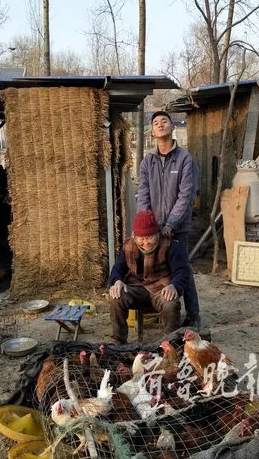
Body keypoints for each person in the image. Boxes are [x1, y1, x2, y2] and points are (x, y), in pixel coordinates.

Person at [138, 110, 201, 329]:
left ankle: (193, 315)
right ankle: (161, 311)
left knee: (182, 268)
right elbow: (143, 195)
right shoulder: (147, 162)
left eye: (164, 121)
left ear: (172, 127)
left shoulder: (184, 159)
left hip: (178, 227)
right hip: (154, 229)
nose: (160, 124)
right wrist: (148, 226)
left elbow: (186, 195)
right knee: (154, 268)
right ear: (152, 131)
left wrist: (171, 224)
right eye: (155, 122)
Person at [108, 210, 191, 344]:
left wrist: (174, 285)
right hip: (136, 288)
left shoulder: (170, 246)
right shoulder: (128, 246)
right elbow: (118, 268)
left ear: (157, 233)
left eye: (150, 237)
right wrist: (117, 281)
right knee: (116, 297)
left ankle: (171, 343)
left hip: (161, 289)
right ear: (134, 235)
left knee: (170, 303)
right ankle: (118, 341)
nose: (145, 242)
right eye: (141, 238)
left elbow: (182, 271)